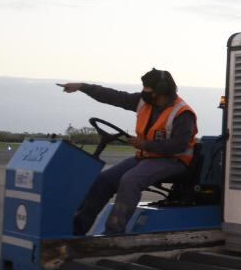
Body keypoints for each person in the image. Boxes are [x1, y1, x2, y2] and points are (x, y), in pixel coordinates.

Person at [59, 68, 198, 236]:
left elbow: (178, 146)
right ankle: (75, 229)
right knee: (104, 179)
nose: (144, 92)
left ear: (161, 89)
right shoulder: (144, 102)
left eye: (148, 88)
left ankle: (113, 234)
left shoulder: (183, 113)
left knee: (130, 180)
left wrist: (145, 144)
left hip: (173, 161)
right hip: (146, 158)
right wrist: (82, 87)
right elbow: (112, 96)